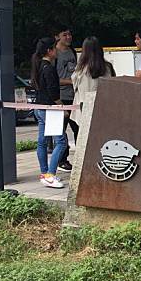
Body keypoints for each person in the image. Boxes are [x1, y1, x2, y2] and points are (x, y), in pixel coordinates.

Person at [30, 37, 68, 189]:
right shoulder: (49, 68)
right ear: (49, 51)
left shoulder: (38, 66)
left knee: (42, 142)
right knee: (61, 141)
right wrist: (62, 107)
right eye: (54, 48)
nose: (57, 50)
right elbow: (53, 92)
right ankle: (50, 175)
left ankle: (44, 173)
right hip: (50, 109)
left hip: (39, 108)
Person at [71, 37, 115, 126]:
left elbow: (75, 86)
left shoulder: (81, 70)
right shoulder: (108, 67)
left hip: (84, 108)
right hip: (104, 108)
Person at [54, 26, 78, 172]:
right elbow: (53, 79)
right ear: (57, 36)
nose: (68, 37)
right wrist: (70, 82)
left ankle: (80, 156)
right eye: (65, 35)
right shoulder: (54, 53)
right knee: (60, 131)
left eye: (69, 34)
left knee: (78, 127)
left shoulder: (72, 51)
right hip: (61, 97)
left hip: (74, 96)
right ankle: (61, 160)